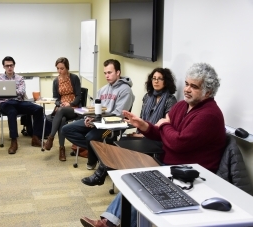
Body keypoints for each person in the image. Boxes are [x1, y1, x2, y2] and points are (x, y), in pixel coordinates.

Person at [80, 62, 226, 227]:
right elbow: (163, 135)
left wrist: (165, 125)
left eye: (194, 86)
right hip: (173, 167)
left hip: (191, 175)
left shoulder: (209, 115)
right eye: (186, 84)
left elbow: (178, 143)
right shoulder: (182, 106)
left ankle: (109, 224)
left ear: (208, 91)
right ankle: (108, 222)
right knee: (135, 181)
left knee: (145, 186)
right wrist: (144, 126)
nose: (186, 89)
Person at [81, 67, 177, 186]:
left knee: (121, 146)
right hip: (143, 133)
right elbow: (142, 118)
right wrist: (136, 127)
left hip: (156, 138)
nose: (156, 81)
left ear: (166, 81)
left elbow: (164, 124)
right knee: (117, 143)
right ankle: (105, 174)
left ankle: (100, 175)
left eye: (160, 79)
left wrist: (142, 133)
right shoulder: (148, 97)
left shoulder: (170, 99)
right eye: (154, 78)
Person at [62, 59, 135, 170]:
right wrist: (88, 118)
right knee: (66, 129)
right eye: (105, 73)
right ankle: (98, 151)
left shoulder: (125, 90)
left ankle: (92, 159)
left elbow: (118, 115)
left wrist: (95, 120)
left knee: (90, 137)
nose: (107, 76)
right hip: (96, 121)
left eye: (109, 72)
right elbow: (92, 108)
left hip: (111, 126)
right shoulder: (102, 90)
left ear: (118, 72)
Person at [0, 56, 44, 154]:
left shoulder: (20, 78)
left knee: (38, 109)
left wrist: (6, 92)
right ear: (4, 67)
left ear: (14, 65)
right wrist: (11, 92)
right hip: (5, 104)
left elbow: (22, 91)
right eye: (7, 66)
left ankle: (36, 137)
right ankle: (14, 141)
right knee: (12, 111)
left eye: (11, 65)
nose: (9, 68)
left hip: (18, 102)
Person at [43, 57, 81, 161]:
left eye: (62, 68)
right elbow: (56, 99)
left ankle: (50, 138)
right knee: (62, 119)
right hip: (62, 108)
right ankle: (61, 149)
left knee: (61, 111)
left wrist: (70, 103)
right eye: (58, 68)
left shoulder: (74, 78)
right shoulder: (56, 81)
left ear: (67, 68)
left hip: (74, 107)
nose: (60, 71)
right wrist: (60, 104)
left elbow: (78, 96)